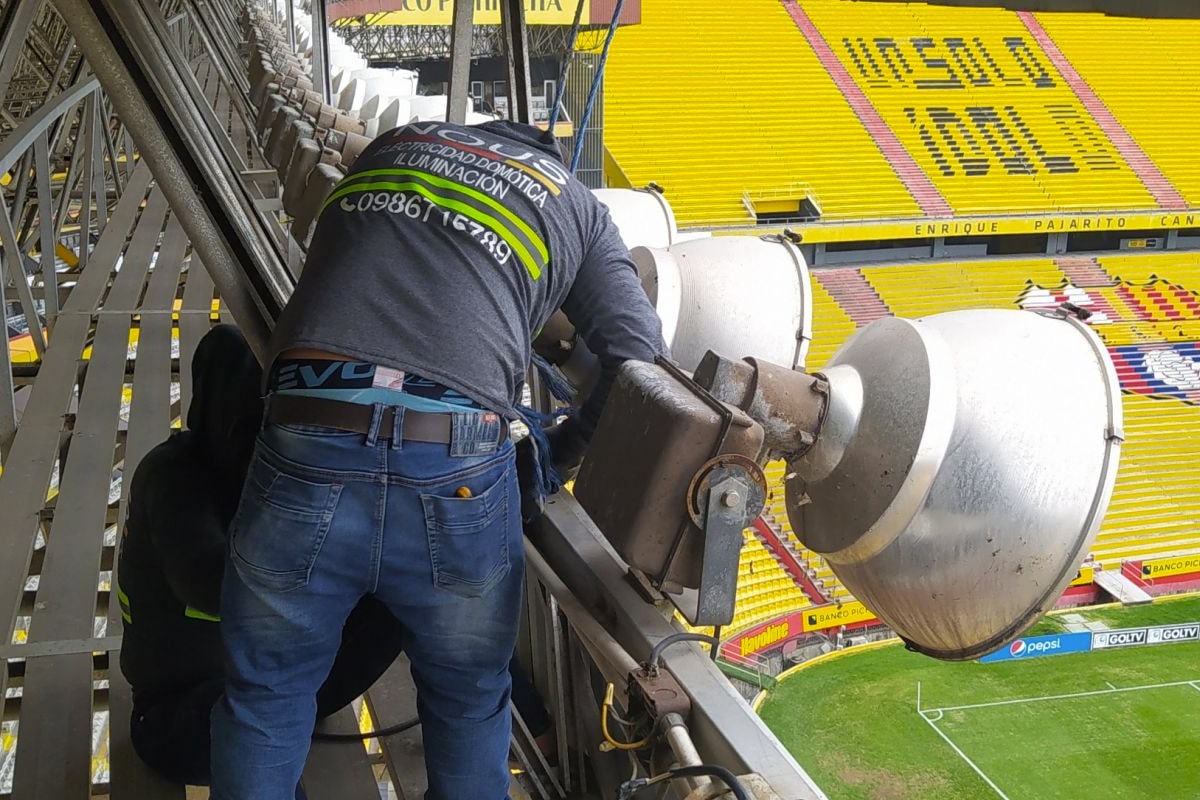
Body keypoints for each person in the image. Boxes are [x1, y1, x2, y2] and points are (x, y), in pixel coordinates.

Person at [209, 120, 666, 800]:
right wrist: (557, 454)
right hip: (454, 463)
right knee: (468, 699)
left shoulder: (397, 143)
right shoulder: (576, 203)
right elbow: (640, 356)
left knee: (263, 696)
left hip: (308, 430)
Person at [117, 325, 405, 786]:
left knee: (409, 589)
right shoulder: (172, 476)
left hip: (285, 684)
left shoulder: (285, 469)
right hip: (180, 714)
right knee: (262, 758)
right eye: (255, 429)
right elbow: (211, 585)